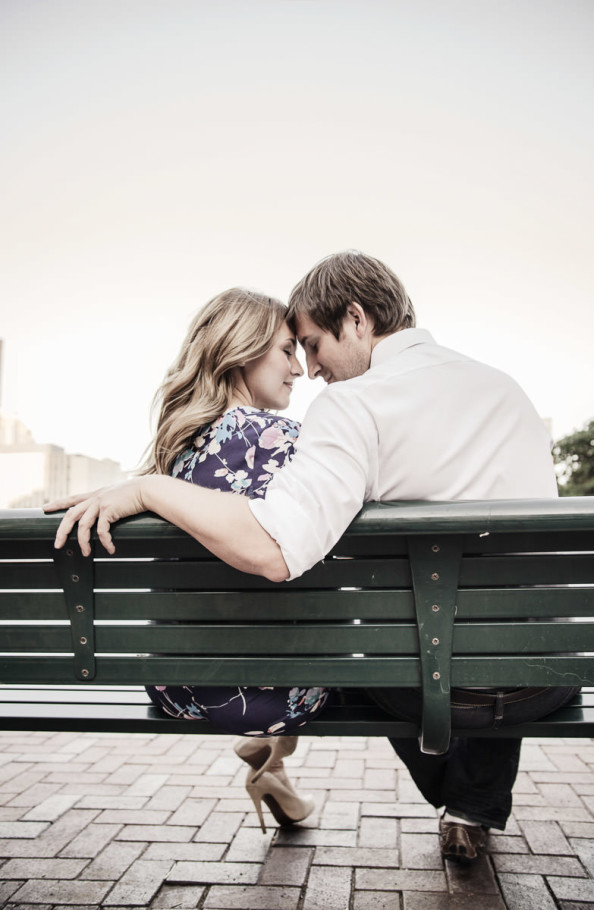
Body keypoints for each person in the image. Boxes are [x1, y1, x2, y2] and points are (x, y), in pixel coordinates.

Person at [45, 251, 578, 864]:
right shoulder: (504, 387)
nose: (313, 368)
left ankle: (460, 802)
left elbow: (275, 548)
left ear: (356, 318)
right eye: (294, 349)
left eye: (315, 344)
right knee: (484, 622)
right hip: (545, 680)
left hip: (413, 686)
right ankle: (473, 807)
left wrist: (145, 488)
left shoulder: (355, 406)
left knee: (397, 654)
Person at [113, 288, 330, 831]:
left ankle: (274, 769)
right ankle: (270, 752)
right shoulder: (296, 443)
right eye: (286, 350)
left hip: (177, 686)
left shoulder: (173, 453)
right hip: (275, 693)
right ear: (242, 351)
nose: (299, 368)